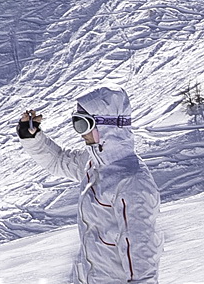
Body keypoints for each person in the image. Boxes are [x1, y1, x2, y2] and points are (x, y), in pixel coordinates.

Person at [23, 87, 164, 283]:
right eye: (76, 123)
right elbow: (58, 161)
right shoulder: (94, 165)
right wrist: (32, 136)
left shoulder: (130, 181)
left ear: (107, 127)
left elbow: (142, 248)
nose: (80, 134)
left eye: (83, 125)